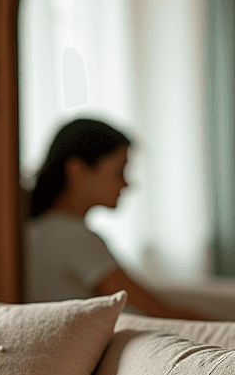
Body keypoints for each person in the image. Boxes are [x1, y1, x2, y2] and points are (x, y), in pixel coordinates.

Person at [24, 118, 210, 319]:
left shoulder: (40, 229)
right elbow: (158, 312)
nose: (127, 184)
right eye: (119, 171)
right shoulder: (73, 238)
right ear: (77, 169)